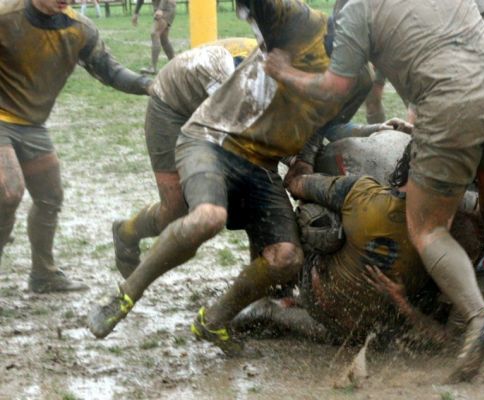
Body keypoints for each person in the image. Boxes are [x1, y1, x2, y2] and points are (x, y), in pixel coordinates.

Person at [265, 0, 484, 382]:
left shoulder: (357, 8)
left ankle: (479, 320)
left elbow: (336, 86)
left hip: (450, 108)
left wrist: (284, 71)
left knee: (428, 229)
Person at [87, 0, 373, 355]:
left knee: (286, 257)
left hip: (262, 163)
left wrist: (304, 159)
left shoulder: (361, 77)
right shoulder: (301, 22)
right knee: (205, 217)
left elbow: (325, 122)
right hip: (214, 136)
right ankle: (125, 296)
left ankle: (214, 321)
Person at [0, 0, 152, 293]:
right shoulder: (7, 16)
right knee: (9, 191)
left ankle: (43, 275)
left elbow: (110, 71)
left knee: (49, 197)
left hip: (32, 124)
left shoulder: (79, 29)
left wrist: (149, 85)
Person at [111, 37, 257, 279]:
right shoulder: (246, 71)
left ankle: (264, 288)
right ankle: (126, 232)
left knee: (258, 193)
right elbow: (245, 130)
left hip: (220, 103)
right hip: (173, 106)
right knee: (176, 209)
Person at [132, 0, 177, 75]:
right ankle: (175, 64)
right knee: (163, 38)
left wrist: (160, 9)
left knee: (155, 33)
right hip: (164, 7)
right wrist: (136, 13)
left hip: (166, 6)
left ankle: (153, 67)